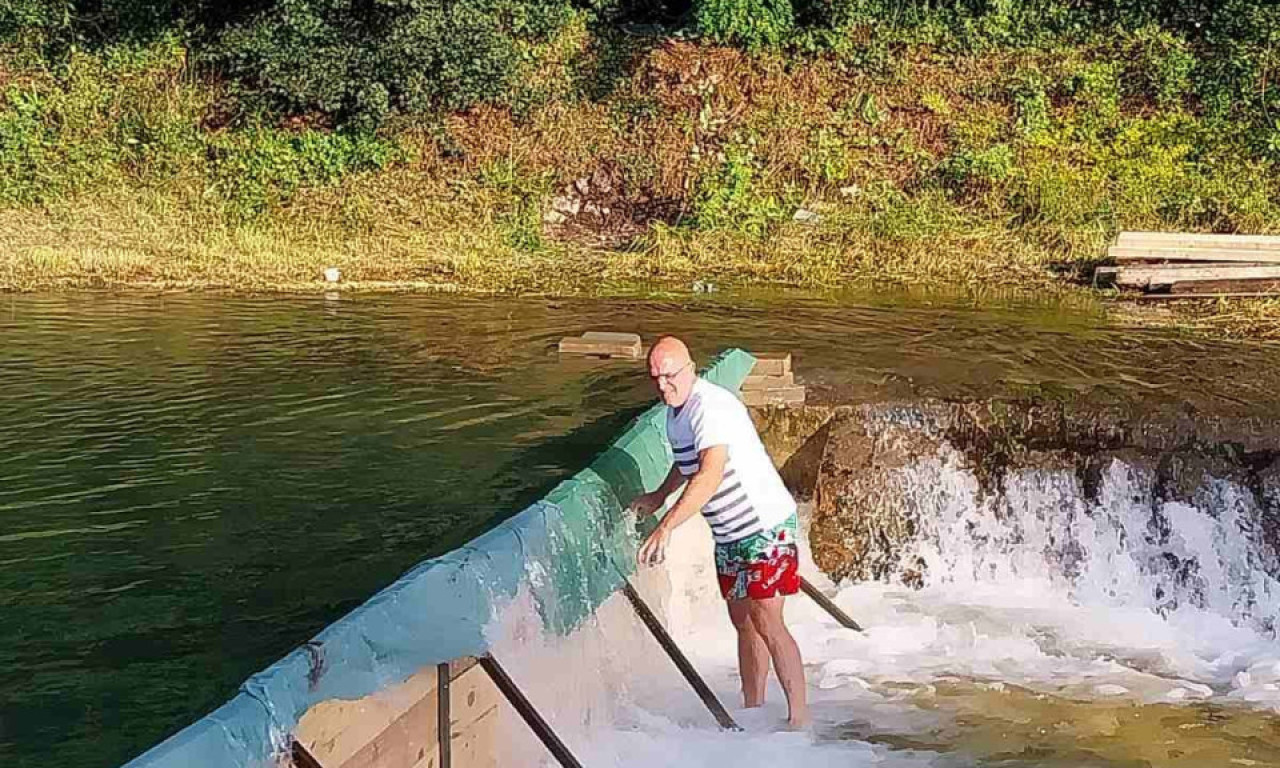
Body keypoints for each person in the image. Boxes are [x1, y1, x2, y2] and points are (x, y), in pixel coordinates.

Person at [632, 336, 809, 728]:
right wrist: (659, 495)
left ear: (691, 369)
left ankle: (799, 720)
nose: (663, 385)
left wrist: (666, 527)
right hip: (729, 533)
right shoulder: (673, 412)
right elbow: (687, 463)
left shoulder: (709, 406)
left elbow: (710, 472)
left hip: (765, 526)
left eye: (670, 376)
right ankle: (754, 708)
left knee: (768, 618)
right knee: (742, 621)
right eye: (656, 378)